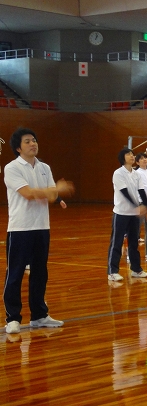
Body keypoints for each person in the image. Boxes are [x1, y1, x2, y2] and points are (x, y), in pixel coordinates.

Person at [3, 127, 74, 334]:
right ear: (18, 148)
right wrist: (55, 190)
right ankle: (12, 318)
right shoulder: (12, 168)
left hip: (42, 226)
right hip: (20, 227)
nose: (33, 143)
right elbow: (28, 193)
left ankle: (39, 315)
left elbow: (51, 197)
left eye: (34, 140)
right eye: (27, 141)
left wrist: (53, 191)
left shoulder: (45, 167)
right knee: (15, 273)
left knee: (40, 272)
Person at [107, 148, 147, 282]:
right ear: (123, 158)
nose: (132, 156)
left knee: (134, 242)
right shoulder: (118, 173)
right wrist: (137, 206)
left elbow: (142, 191)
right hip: (121, 213)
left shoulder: (136, 174)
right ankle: (112, 271)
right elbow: (125, 192)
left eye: (132, 154)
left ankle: (136, 269)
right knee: (117, 242)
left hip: (134, 214)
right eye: (128, 154)